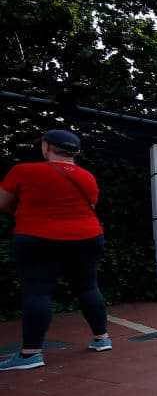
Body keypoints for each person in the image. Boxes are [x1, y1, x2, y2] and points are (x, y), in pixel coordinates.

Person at [0, 129, 111, 370]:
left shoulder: (24, 171)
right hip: (88, 235)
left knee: (37, 290)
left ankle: (31, 353)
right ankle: (102, 339)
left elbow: (3, 203)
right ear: (76, 152)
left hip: (37, 235)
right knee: (88, 285)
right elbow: (91, 204)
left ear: (46, 147)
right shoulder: (88, 177)